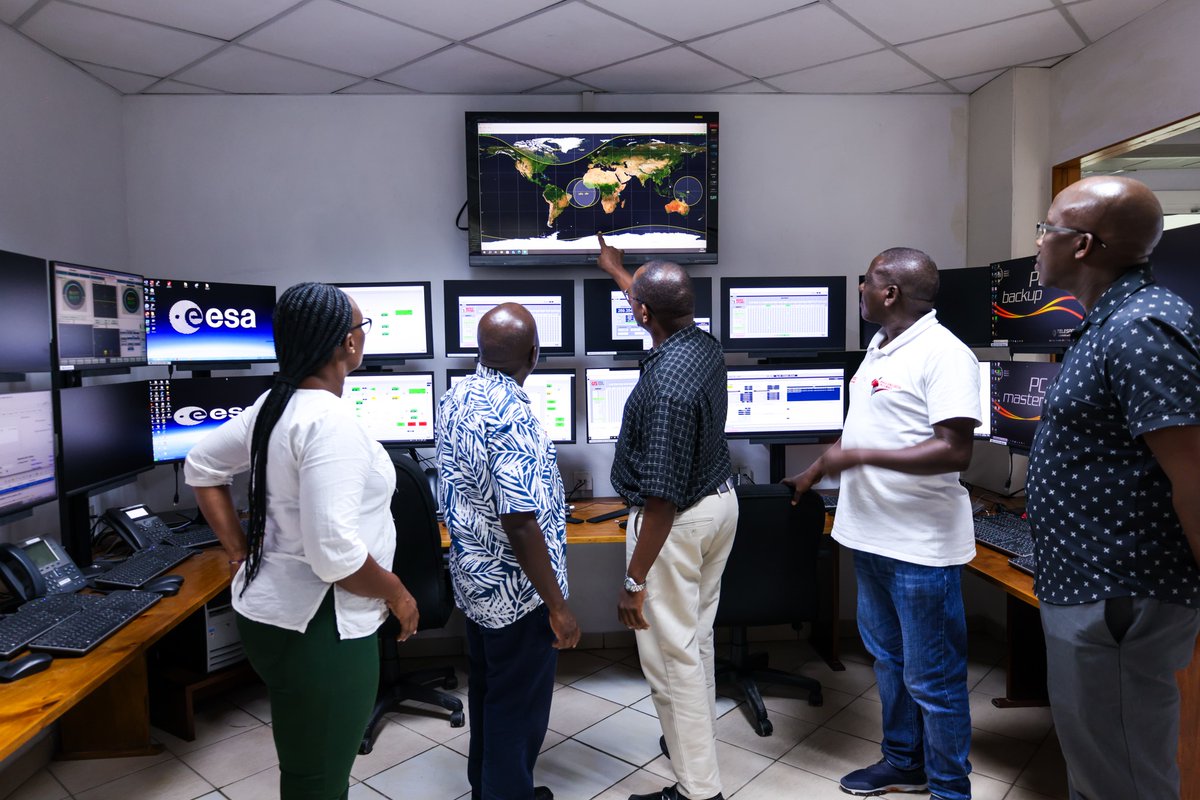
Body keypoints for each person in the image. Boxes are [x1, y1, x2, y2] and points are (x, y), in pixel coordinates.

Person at [185, 282, 419, 800]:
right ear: (346, 344)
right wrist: (398, 594)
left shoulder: (276, 403)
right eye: (362, 328)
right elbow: (335, 556)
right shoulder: (328, 422)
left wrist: (240, 552)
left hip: (271, 613)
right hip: (322, 629)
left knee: (306, 765)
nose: (363, 337)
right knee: (319, 780)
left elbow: (201, 466)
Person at [1025, 176, 1200, 800]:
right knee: (1100, 768)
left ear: (1082, 246)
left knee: (1123, 779)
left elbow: (1195, 476)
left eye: (1046, 229)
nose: (1038, 242)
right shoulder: (1109, 323)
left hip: (1119, 593)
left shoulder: (1142, 328)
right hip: (1092, 587)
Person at [784, 248, 979, 800]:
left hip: (920, 547)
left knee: (933, 679)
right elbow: (865, 430)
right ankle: (904, 762)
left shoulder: (944, 354)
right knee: (889, 662)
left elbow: (954, 449)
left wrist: (862, 459)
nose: (862, 290)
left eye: (867, 282)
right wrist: (816, 470)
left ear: (889, 292)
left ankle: (949, 789)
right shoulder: (881, 347)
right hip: (868, 535)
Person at [595, 233, 739, 800]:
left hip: (674, 525)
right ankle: (693, 749)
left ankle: (698, 791)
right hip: (719, 505)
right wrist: (619, 272)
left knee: (668, 657)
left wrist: (633, 580)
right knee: (695, 641)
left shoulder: (664, 393)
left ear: (644, 314)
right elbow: (653, 304)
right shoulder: (701, 343)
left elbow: (660, 501)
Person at [436, 303, 580, 800]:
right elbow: (520, 521)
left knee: (491, 695)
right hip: (518, 593)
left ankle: (490, 790)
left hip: (477, 584)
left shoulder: (457, 395)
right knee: (517, 709)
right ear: (534, 354)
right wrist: (558, 608)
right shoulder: (512, 413)